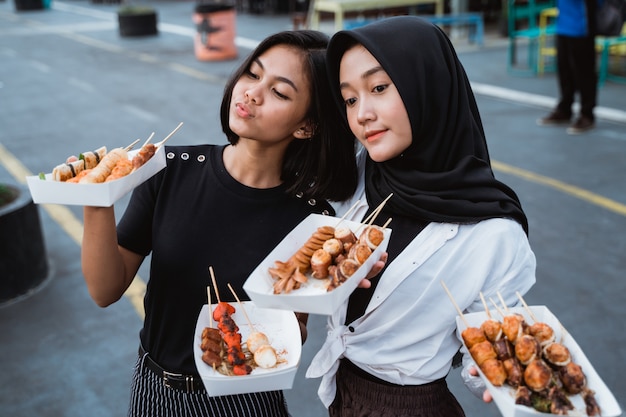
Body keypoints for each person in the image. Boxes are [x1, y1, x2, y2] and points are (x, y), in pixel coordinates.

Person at [80, 30, 359, 417]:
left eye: (279, 92)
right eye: (252, 74)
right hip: (156, 389)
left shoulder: (313, 220)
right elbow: (104, 290)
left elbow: (294, 332)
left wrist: (291, 324)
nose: (252, 93)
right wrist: (95, 199)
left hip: (248, 398)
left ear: (306, 127)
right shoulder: (169, 169)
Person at [305, 16, 537, 416]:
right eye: (350, 99)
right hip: (340, 394)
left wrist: (503, 374)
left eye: (379, 87)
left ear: (428, 85)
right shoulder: (366, 173)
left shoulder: (496, 233)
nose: (362, 114)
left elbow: (491, 349)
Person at [537, 0, 598, 134]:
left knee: (584, 71)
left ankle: (587, 114)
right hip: (563, 22)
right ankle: (565, 109)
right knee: (564, 68)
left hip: (581, 23)